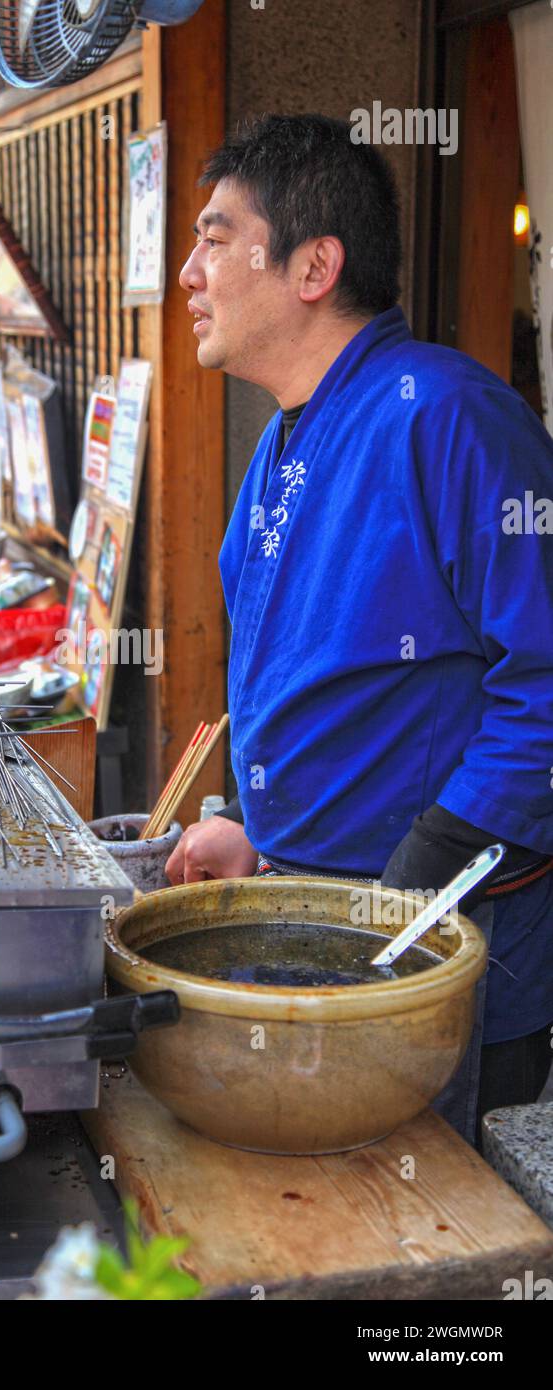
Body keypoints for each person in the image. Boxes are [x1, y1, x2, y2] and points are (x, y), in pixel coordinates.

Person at [166, 114, 553, 1146]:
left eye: (212, 236)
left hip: (434, 931)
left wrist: (414, 883)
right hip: (312, 913)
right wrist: (258, 828)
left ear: (310, 266)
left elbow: (545, 689)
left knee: (407, 1234)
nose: (187, 272)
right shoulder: (284, 437)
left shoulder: (449, 416)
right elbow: (318, 674)